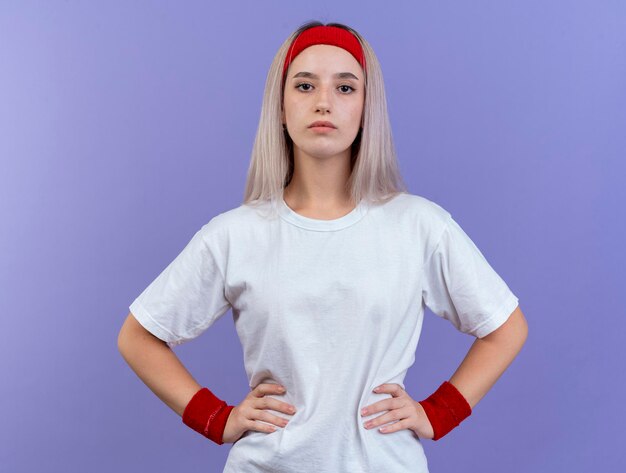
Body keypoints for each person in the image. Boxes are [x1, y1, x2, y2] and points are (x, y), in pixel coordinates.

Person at [117, 20, 529, 473]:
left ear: (367, 108)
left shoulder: (418, 225)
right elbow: (138, 337)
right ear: (280, 105)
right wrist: (218, 418)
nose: (324, 102)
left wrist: (439, 412)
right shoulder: (235, 234)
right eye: (305, 84)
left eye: (346, 87)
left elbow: (505, 328)